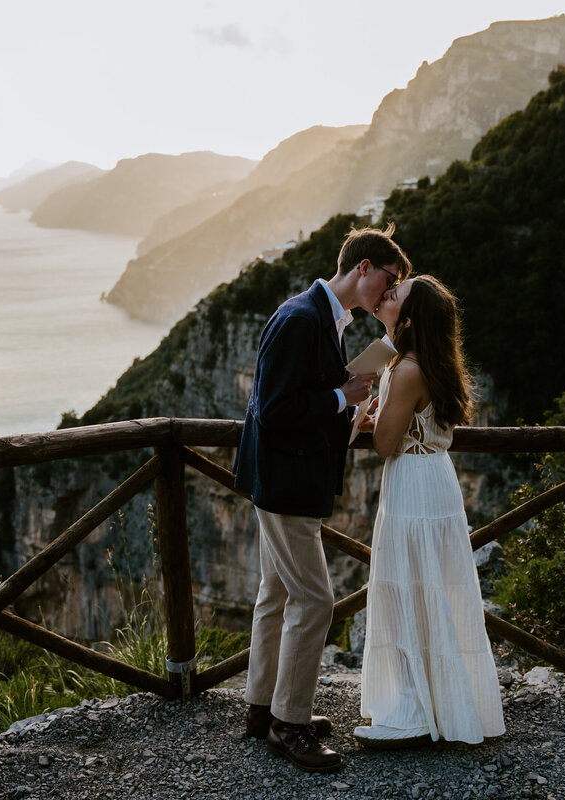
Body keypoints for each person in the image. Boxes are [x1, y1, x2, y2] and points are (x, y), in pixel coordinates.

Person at [233, 223, 412, 772]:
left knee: (275, 597)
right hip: (286, 484)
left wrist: (353, 409)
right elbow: (275, 409)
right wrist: (342, 393)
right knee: (315, 601)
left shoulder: (326, 319)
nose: (388, 293)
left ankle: (261, 709)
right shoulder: (300, 317)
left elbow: (308, 401)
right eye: (388, 279)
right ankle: (290, 725)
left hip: (285, 479)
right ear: (362, 267)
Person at [354, 275, 505, 748]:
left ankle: (412, 709)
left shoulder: (405, 369)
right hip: (436, 479)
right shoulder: (432, 363)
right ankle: (446, 701)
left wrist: (364, 410)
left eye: (395, 295)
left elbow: (382, 444)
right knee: (435, 589)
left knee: (403, 593)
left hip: (411, 485)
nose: (386, 295)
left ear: (411, 318)